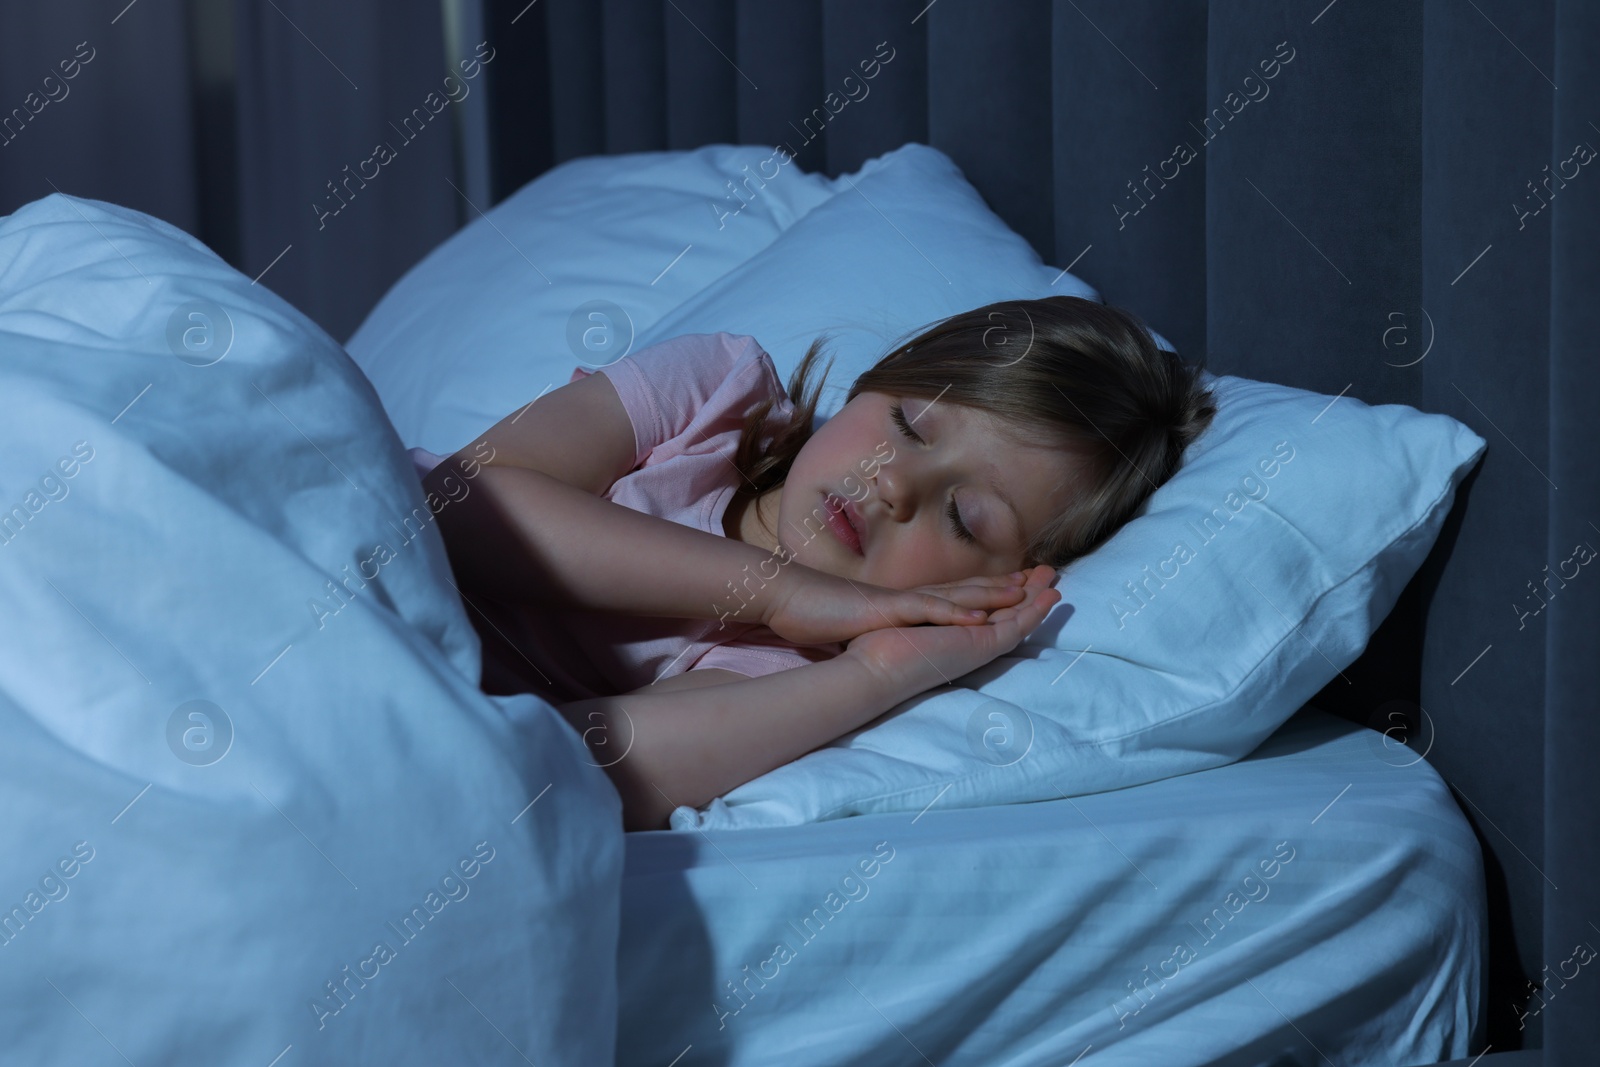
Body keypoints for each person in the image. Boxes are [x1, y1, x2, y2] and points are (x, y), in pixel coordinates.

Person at [416, 295, 1216, 830]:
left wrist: (874, 675)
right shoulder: (716, 395)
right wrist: (776, 589)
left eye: (963, 518)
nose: (893, 482)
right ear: (877, 379)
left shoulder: (782, 668)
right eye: (909, 423)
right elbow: (455, 508)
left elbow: (571, 765)